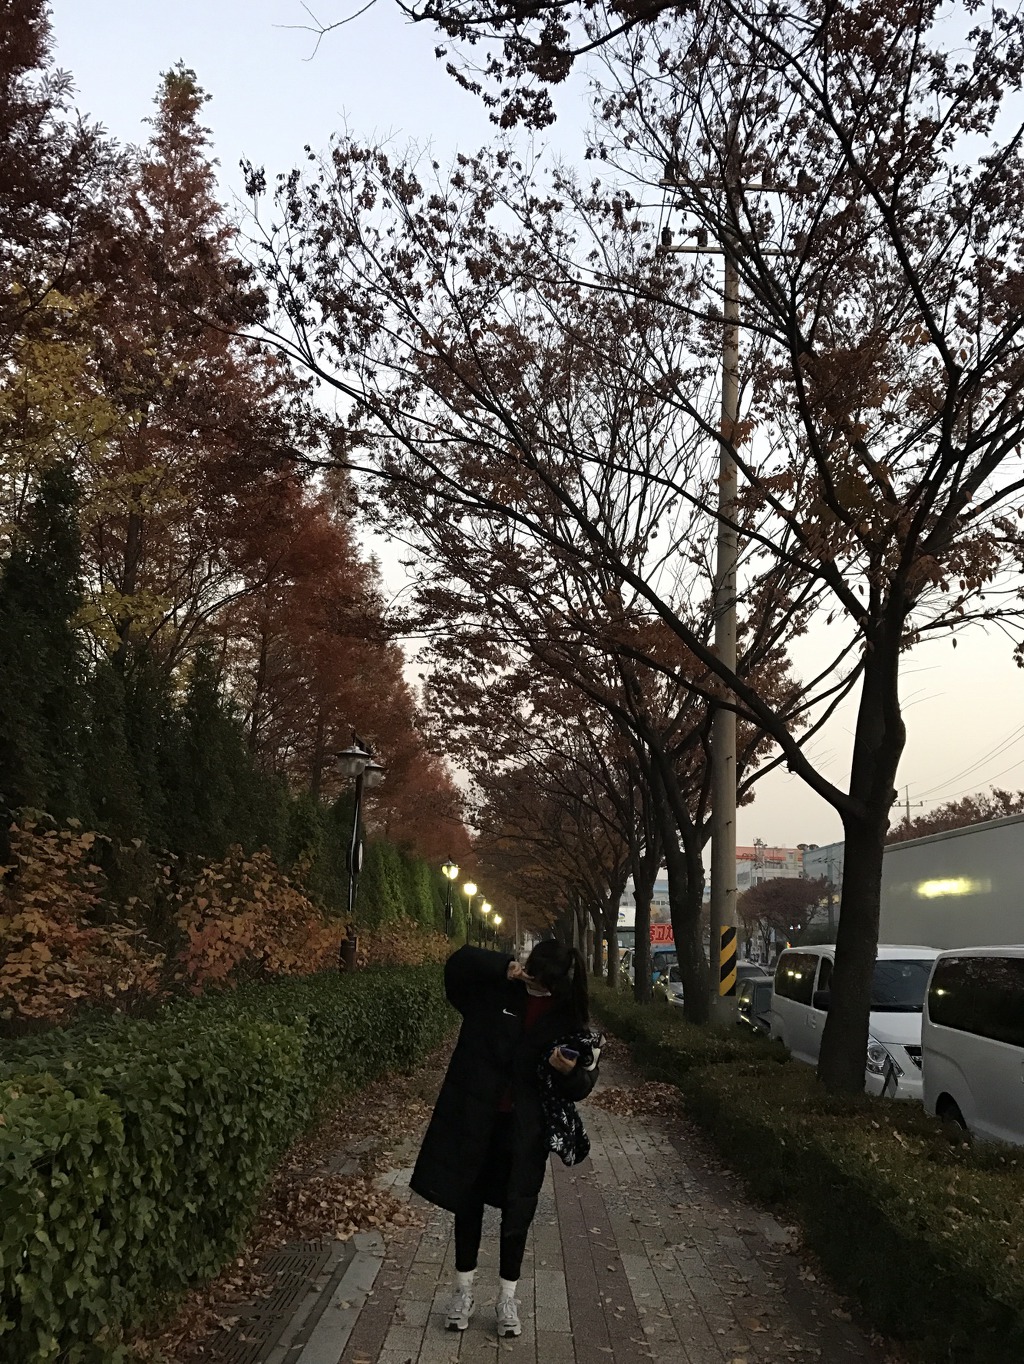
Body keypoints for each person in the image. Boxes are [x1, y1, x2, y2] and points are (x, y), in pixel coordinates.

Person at [410, 939, 601, 1339]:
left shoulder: (567, 1017)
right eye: (533, 975)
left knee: (518, 1210)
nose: (536, 985)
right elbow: (457, 966)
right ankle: (462, 1292)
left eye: (543, 982)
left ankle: (507, 1297)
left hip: (525, 1130)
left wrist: (568, 1072)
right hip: (476, 1118)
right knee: (467, 1202)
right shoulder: (494, 992)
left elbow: (583, 1084)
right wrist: (503, 966)